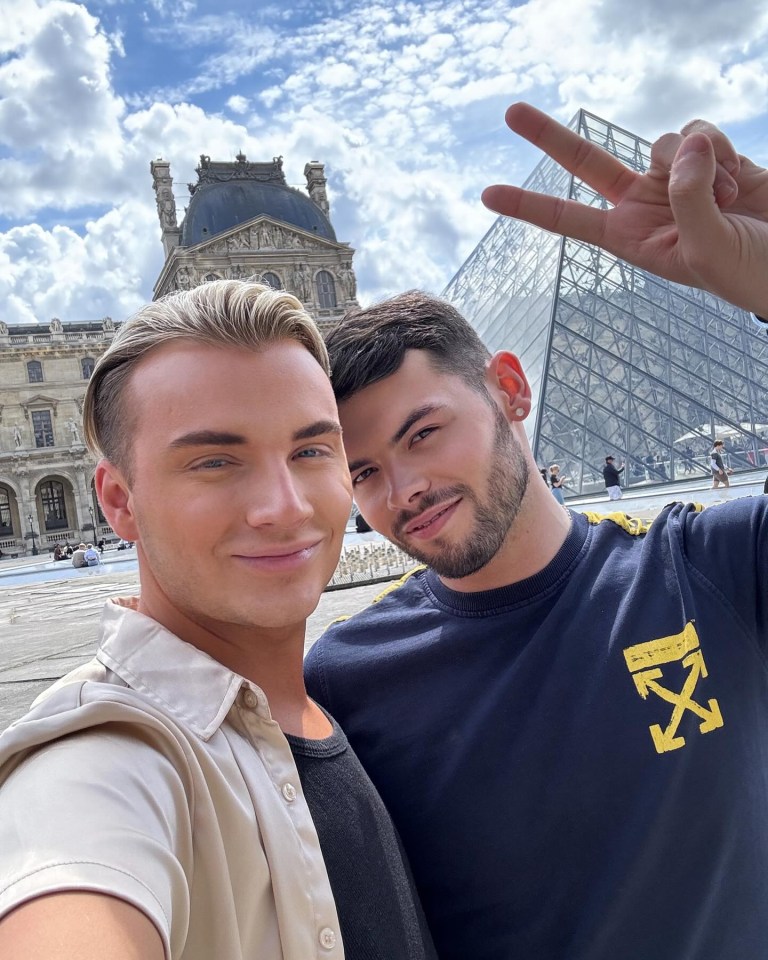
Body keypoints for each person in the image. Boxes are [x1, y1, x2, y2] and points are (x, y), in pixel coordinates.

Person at [304, 104, 768, 960]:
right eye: (361, 471)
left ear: (511, 391)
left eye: (422, 433)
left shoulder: (714, 568)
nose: (403, 490)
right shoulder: (338, 679)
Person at [0, 280, 436, 960]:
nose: (284, 506)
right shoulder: (103, 766)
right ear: (119, 501)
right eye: (215, 461)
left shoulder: (337, 697)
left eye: (311, 450)